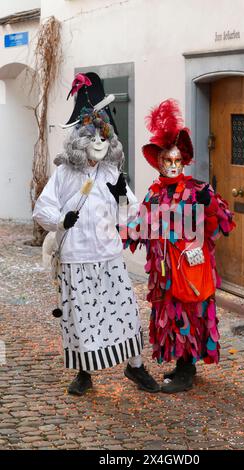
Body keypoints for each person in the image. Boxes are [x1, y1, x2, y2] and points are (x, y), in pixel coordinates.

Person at [33, 72, 159, 395]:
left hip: (109, 256)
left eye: (102, 135)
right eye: (92, 135)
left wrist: (120, 193)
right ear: (81, 137)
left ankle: (135, 367)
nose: (98, 142)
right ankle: (83, 374)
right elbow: (41, 210)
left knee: (125, 313)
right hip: (76, 258)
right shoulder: (64, 173)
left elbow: (127, 212)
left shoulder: (111, 171)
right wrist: (62, 220)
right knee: (80, 319)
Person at [120, 99, 235, 393]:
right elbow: (137, 229)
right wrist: (117, 212)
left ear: (183, 162)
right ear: (159, 162)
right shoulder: (154, 194)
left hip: (191, 268)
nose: (172, 166)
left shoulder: (198, 190)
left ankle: (187, 369)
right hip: (164, 273)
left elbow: (223, 222)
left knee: (193, 316)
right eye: (166, 161)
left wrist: (209, 205)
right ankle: (183, 364)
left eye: (177, 162)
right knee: (170, 317)